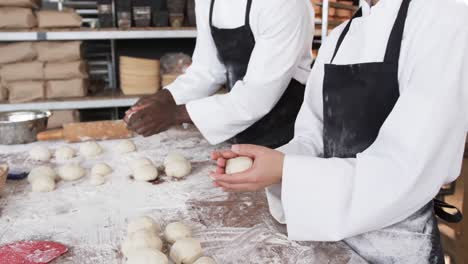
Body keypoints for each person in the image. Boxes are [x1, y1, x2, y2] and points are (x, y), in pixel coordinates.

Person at [211, 0, 468, 262]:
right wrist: (275, 162)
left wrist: (286, 170)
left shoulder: (444, 18)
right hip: (332, 243)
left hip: (397, 248)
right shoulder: (341, 36)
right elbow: (312, 138)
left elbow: (408, 169)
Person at [125, 0, 314, 148]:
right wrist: (163, 99)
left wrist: (174, 114)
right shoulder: (209, 2)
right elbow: (208, 70)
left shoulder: (285, 4)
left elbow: (257, 96)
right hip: (239, 131)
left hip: (286, 138)